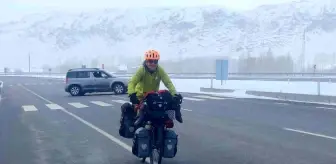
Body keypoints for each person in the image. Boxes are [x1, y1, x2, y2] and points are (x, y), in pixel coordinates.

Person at [127, 49, 183, 123]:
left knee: (164, 110)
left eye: (155, 61)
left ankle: (174, 116)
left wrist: (175, 94)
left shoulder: (160, 70)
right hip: (140, 97)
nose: (153, 63)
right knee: (141, 117)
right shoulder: (141, 70)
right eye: (150, 61)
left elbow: (168, 83)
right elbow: (132, 82)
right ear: (146, 61)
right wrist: (132, 94)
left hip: (152, 96)